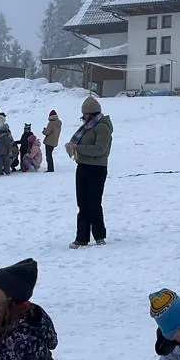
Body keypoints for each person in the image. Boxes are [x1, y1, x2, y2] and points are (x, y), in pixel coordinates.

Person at [66, 94, 113, 246]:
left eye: (85, 114)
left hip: (97, 169)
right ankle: (82, 237)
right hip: (83, 167)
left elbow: (100, 149)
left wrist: (77, 148)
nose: (83, 117)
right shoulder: (87, 127)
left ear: (91, 113)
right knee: (82, 204)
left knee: (94, 203)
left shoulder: (102, 127)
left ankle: (99, 235)